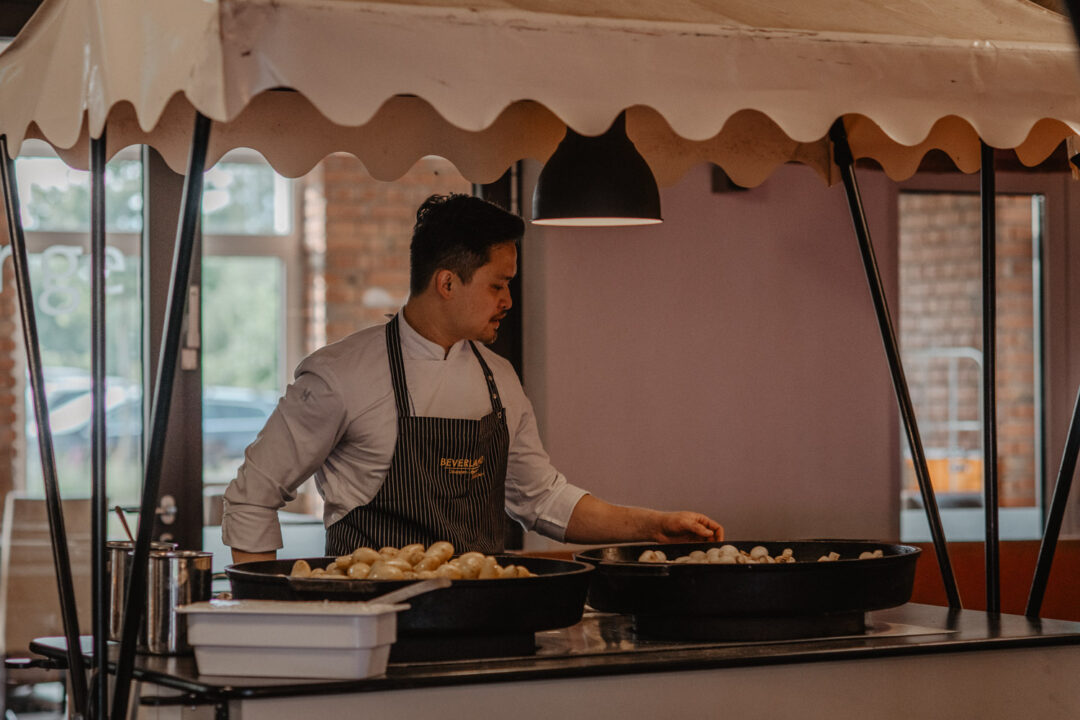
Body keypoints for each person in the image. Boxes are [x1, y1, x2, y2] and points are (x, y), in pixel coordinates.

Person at [222, 193, 723, 563]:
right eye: (498, 285)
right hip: (374, 639)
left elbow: (542, 498)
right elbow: (251, 496)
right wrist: (270, 611)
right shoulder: (340, 376)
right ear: (446, 283)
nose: (507, 301)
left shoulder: (499, 379)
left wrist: (654, 525)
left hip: (483, 627)